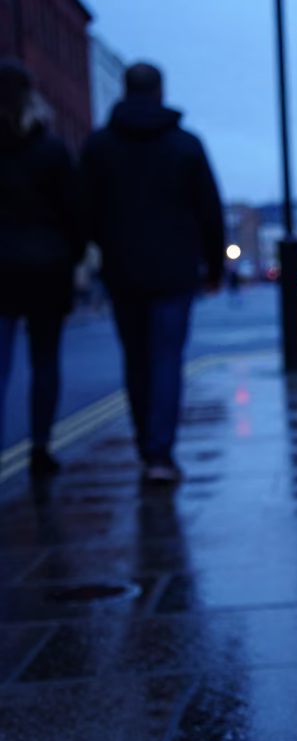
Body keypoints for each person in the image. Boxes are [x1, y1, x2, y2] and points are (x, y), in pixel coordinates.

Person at [82, 63, 224, 484]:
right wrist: (214, 268)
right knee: (166, 360)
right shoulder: (185, 145)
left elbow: (83, 210)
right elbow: (209, 212)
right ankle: (161, 454)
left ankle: (147, 446)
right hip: (175, 272)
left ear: (125, 91)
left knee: (137, 360)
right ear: (160, 91)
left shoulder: (99, 147)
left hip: (122, 270)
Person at [0, 60, 86, 477]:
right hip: (46, 267)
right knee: (45, 361)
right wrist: (72, 255)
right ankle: (39, 447)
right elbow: (75, 213)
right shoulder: (51, 150)